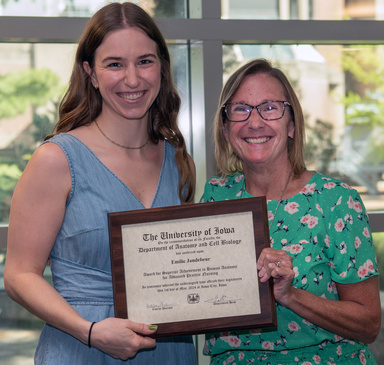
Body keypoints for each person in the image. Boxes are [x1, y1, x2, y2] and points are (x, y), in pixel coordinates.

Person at [4, 2, 197, 364]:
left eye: (145, 61)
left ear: (161, 67)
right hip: (83, 347)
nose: (133, 79)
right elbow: (18, 275)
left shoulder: (176, 159)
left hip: (168, 349)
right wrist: (89, 331)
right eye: (114, 64)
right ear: (90, 73)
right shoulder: (56, 159)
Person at [200, 58, 381, 364]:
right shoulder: (216, 196)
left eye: (270, 107)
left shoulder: (336, 202)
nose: (254, 122)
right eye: (240, 109)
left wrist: (290, 295)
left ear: (292, 124)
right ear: (225, 128)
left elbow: (369, 324)